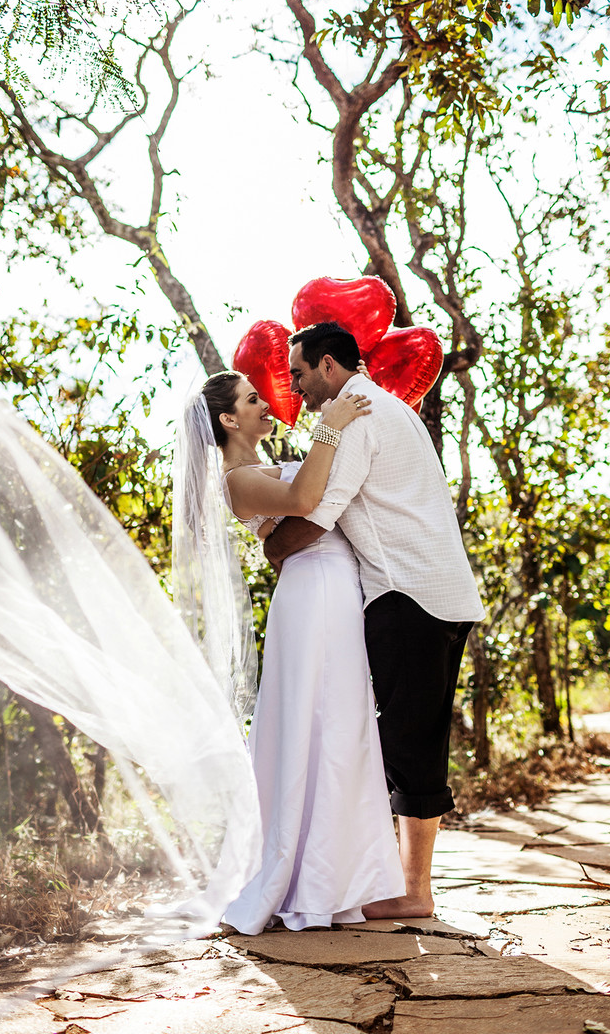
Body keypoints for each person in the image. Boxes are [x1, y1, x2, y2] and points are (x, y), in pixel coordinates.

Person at [263, 322, 485, 920]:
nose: (296, 385)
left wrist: (272, 544)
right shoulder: (395, 409)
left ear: (330, 366)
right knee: (417, 734)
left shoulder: (355, 417)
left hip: (406, 596)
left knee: (403, 741)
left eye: (301, 373)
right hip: (442, 594)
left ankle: (413, 892)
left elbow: (318, 514)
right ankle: (398, 881)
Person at [186, 369, 405, 934]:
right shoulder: (238, 479)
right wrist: (329, 427)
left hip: (331, 587)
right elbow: (306, 498)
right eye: (252, 399)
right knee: (321, 723)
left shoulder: (261, 462)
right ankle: (303, 882)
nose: (266, 403)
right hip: (314, 592)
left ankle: (332, 878)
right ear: (229, 419)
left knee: (336, 724)